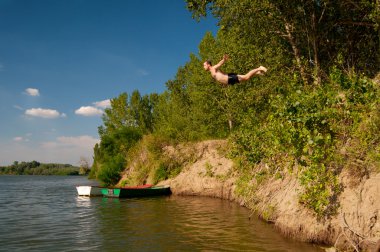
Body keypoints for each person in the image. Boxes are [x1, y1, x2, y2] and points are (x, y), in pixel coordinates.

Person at [203, 54, 267, 86]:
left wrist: (224, 60)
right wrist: (224, 83)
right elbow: (220, 74)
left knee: (246, 77)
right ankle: (256, 72)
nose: (203, 67)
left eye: (204, 65)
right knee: (246, 79)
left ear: (208, 65)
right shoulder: (211, 72)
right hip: (229, 80)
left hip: (230, 78)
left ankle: (259, 68)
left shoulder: (213, 68)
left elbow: (219, 64)